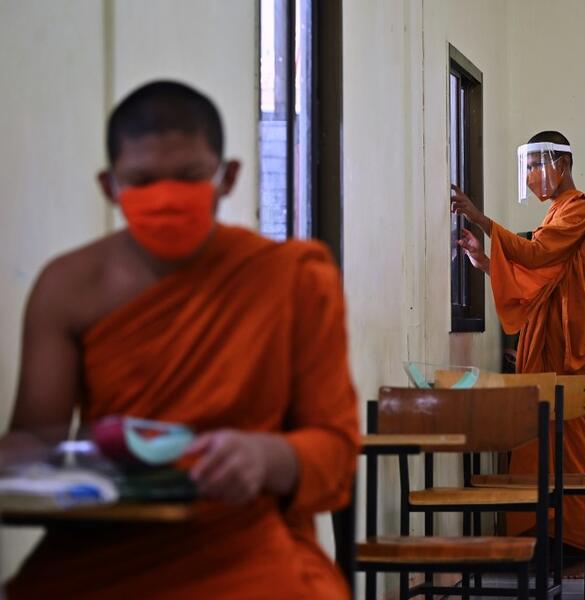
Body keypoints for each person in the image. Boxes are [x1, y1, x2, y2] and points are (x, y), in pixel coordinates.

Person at [3, 80, 359, 599]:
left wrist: (266, 457)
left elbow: (336, 451)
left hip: (242, 542)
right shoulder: (68, 287)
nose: (167, 198)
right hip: (101, 546)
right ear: (109, 186)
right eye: (142, 180)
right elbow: (35, 440)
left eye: (189, 177)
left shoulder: (292, 277)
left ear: (227, 177)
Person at [451, 130, 585, 576]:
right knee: (540, 449)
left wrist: (481, 220)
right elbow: (538, 285)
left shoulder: (582, 209)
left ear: (561, 165)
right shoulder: (554, 214)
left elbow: (539, 255)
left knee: (579, 454)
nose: (530, 176)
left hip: (573, 354)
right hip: (543, 350)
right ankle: (548, 547)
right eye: (525, 167)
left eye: (536, 165)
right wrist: (484, 262)